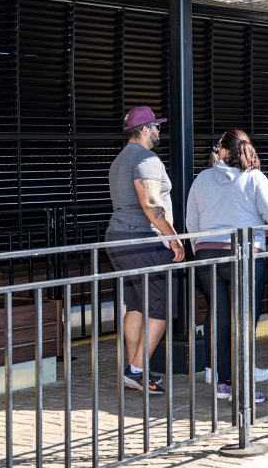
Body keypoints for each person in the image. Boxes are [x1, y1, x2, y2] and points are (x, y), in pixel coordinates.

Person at [186, 129, 268, 402]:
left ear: (222, 150)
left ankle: (222, 381)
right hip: (244, 254)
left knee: (216, 315)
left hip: (207, 255)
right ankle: (242, 385)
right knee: (243, 319)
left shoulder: (202, 178)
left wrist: (200, 246)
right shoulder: (254, 177)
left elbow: (191, 222)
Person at [105, 106, 185, 396]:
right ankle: (137, 371)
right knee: (160, 308)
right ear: (144, 129)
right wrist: (173, 238)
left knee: (136, 306)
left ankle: (135, 369)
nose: (159, 131)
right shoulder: (146, 159)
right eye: (156, 126)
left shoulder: (120, 160)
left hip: (119, 238)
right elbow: (151, 204)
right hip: (144, 240)